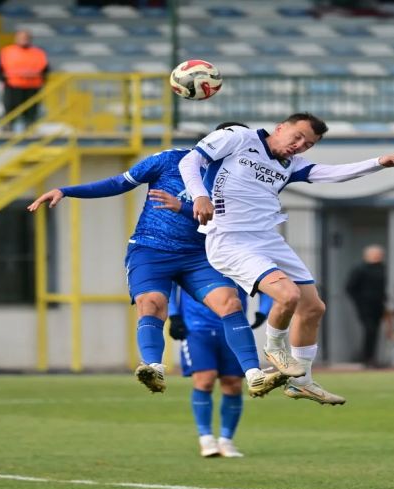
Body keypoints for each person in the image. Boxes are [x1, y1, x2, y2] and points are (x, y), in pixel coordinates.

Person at [27, 122, 289, 397]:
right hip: (151, 249)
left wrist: (182, 207)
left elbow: (227, 220)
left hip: (201, 255)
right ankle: (153, 367)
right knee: (152, 303)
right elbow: (119, 183)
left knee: (231, 303)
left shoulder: (243, 178)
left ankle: (254, 374)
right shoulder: (169, 160)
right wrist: (67, 190)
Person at [178, 112, 394, 405]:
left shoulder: (292, 164)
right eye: (298, 137)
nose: (300, 146)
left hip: (268, 239)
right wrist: (200, 195)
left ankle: (301, 382)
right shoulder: (239, 138)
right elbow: (190, 161)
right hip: (230, 238)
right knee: (287, 296)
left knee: (313, 307)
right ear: (280, 128)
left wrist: (379, 162)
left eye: (308, 144)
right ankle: (275, 349)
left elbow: (334, 174)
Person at [168, 284, 273, 458]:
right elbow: (169, 285)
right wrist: (173, 315)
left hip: (232, 329)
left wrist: (263, 311)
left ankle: (226, 440)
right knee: (205, 379)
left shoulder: (235, 260)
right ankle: (206, 438)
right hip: (196, 329)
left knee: (233, 384)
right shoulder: (190, 258)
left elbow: (265, 286)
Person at [0, 31, 49, 131]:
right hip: (13, 87)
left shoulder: (38, 53)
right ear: (16, 39)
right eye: (21, 37)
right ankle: (8, 129)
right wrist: (1, 80)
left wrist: (42, 80)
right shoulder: (7, 51)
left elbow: (45, 69)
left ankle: (30, 129)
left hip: (32, 87)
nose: (24, 39)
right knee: (10, 110)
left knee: (31, 112)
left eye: (26, 37)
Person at [345, 244, 388, 367]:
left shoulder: (382, 268)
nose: (379, 256)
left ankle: (372, 358)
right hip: (365, 306)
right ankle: (366, 358)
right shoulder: (360, 269)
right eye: (376, 254)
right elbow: (349, 287)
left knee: (375, 332)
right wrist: (360, 301)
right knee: (370, 330)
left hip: (378, 305)